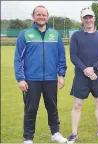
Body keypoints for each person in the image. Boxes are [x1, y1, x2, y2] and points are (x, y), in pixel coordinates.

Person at [14, 5, 67, 144]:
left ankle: (55, 133)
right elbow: (18, 58)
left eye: (44, 15)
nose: (41, 17)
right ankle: (28, 138)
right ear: (33, 16)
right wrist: (20, 79)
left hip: (50, 78)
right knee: (31, 109)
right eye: (39, 14)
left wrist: (61, 75)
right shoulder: (25, 34)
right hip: (31, 79)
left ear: (47, 17)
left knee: (52, 107)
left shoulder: (55, 34)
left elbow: (61, 56)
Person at [66, 7, 98, 143]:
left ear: (94, 18)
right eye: (85, 18)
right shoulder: (76, 36)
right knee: (77, 105)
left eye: (90, 17)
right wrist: (85, 69)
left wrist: (94, 68)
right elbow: (73, 55)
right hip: (81, 76)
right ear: (82, 20)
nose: (88, 20)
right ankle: (74, 134)